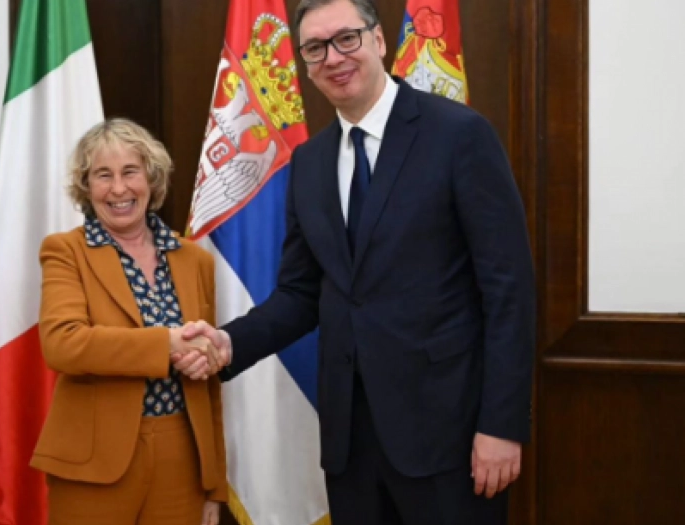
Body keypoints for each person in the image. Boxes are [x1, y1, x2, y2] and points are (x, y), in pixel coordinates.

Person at [178, 0, 535, 523]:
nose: (333, 57)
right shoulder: (310, 162)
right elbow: (301, 294)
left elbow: (509, 291)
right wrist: (230, 343)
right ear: (303, 62)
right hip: (351, 445)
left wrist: (501, 425)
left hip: (450, 437)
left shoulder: (459, 135)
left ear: (378, 40)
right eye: (315, 48)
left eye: (346, 38)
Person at [31, 118, 227, 525]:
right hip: (93, 461)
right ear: (86, 187)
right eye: (103, 175)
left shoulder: (195, 260)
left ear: (151, 179)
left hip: (182, 459)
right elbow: (63, 344)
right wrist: (168, 343)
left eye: (130, 172)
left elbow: (209, 381)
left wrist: (214, 485)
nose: (118, 189)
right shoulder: (66, 251)